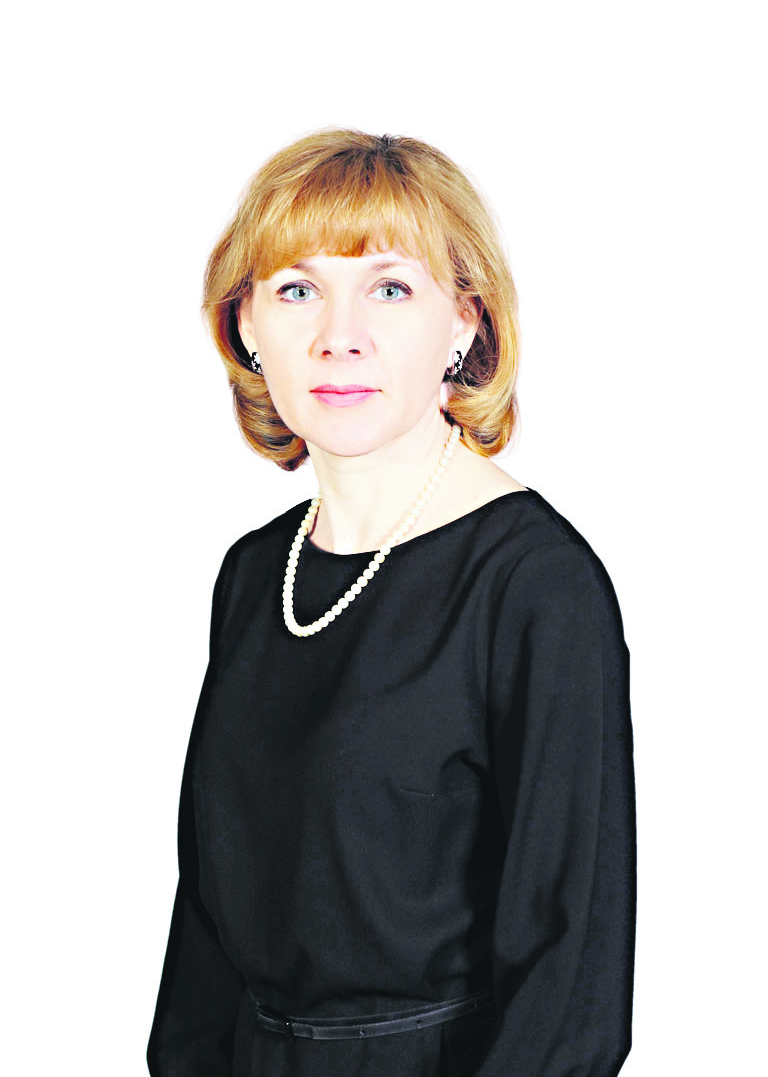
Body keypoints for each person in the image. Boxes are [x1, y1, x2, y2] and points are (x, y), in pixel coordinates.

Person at [146, 129, 636, 1077]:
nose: (340, 335)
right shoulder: (255, 574)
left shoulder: (536, 585)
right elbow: (205, 928)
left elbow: (570, 987)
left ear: (464, 322)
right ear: (246, 326)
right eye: (297, 290)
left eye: (391, 289)